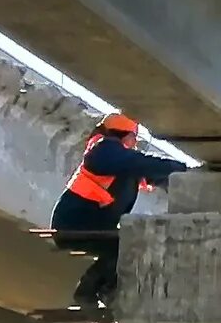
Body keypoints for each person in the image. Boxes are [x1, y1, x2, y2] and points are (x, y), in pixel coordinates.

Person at [51, 111, 186, 304]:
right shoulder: (103, 151)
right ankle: (88, 292)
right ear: (124, 135)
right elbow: (140, 162)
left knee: (128, 246)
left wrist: (184, 179)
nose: (135, 143)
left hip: (89, 226)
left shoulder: (120, 163)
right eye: (133, 137)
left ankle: (105, 292)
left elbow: (150, 171)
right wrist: (181, 168)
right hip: (74, 224)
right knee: (126, 245)